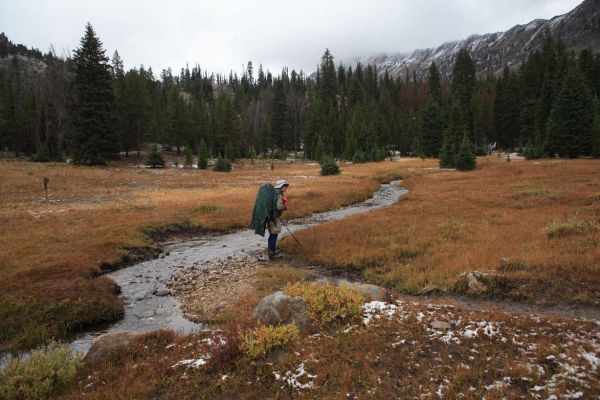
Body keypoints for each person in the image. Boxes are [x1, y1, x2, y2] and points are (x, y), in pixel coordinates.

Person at [267, 179, 289, 260]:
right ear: (280, 186)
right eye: (284, 186)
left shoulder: (272, 193)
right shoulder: (279, 195)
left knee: (272, 234)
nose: (286, 187)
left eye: (286, 186)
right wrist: (284, 207)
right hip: (275, 218)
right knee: (274, 234)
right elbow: (279, 207)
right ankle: (272, 253)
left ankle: (270, 252)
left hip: (270, 217)